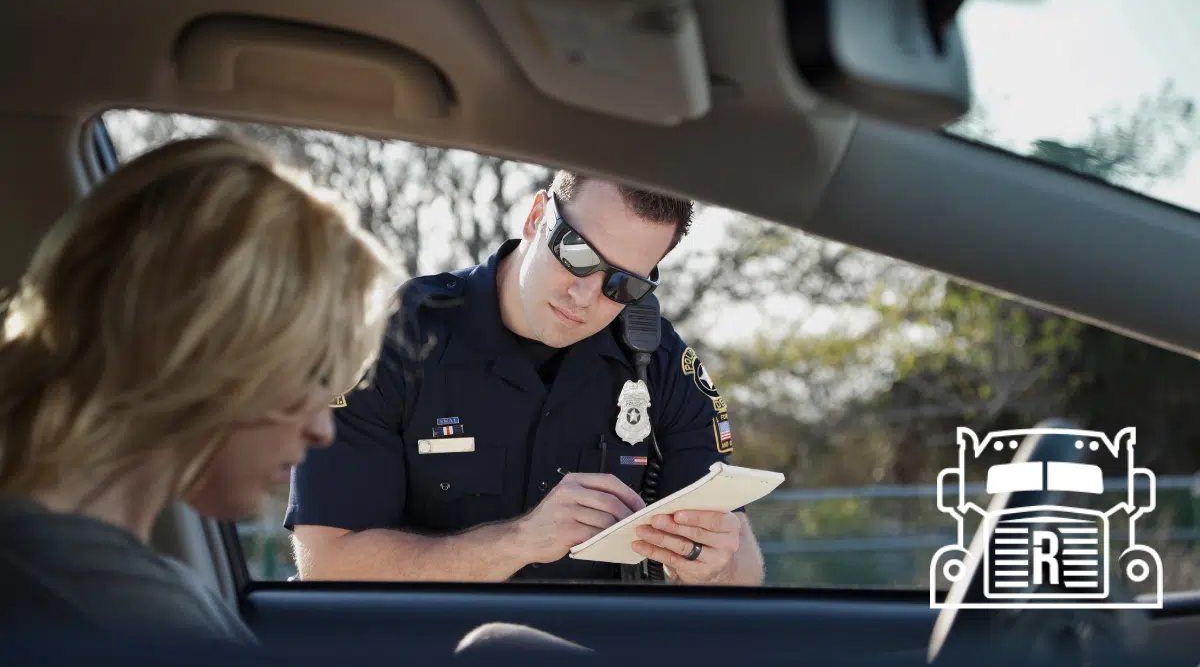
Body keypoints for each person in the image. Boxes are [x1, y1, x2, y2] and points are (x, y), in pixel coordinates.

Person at [0, 135, 399, 641]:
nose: (322, 429)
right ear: (216, 348)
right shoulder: (128, 618)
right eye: (313, 373)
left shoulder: (72, 574)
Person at [286, 171, 766, 585]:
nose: (584, 294)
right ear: (538, 216)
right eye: (577, 254)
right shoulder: (387, 340)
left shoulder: (658, 362)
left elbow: (744, 565)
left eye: (624, 284)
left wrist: (710, 563)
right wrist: (517, 542)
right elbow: (327, 562)